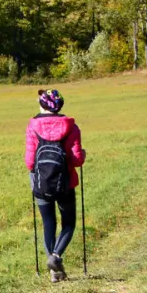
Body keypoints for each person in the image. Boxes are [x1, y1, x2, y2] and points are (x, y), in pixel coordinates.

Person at [25, 88, 86, 282]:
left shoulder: (33, 126)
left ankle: (54, 271)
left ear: (42, 105)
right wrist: (82, 154)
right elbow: (77, 160)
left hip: (41, 184)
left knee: (48, 223)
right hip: (66, 183)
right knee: (68, 223)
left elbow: (29, 162)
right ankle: (56, 257)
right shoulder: (72, 127)